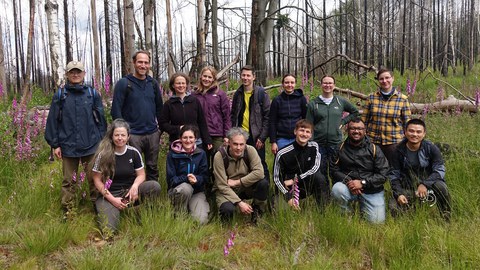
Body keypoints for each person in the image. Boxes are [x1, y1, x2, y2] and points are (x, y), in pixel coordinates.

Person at [45, 60, 107, 219]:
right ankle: (69, 211)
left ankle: (98, 207)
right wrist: (55, 144)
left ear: (84, 74)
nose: (75, 74)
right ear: (67, 74)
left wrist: (102, 141)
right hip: (67, 146)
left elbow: (101, 119)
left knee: (95, 178)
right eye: (72, 72)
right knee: (68, 182)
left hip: (91, 145)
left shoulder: (92, 94)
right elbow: (52, 120)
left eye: (78, 71)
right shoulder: (61, 95)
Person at [92, 119, 161, 236]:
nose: (120, 138)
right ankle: (114, 211)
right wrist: (113, 200)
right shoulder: (103, 154)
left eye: (123, 135)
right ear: (111, 136)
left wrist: (135, 186)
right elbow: (97, 180)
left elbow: (141, 174)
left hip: (129, 193)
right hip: (109, 195)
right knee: (110, 231)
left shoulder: (133, 153)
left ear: (128, 137)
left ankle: (136, 211)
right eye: (117, 135)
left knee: (154, 186)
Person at [111, 50, 163, 183]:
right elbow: (116, 110)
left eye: (146, 62)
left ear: (149, 65)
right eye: (140, 62)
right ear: (134, 63)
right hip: (133, 134)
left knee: (152, 167)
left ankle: (152, 196)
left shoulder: (153, 84)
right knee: (134, 168)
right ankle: (135, 195)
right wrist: (123, 133)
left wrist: (159, 130)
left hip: (152, 133)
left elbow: (159, 108)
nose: (143, 65)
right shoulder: (124, 83)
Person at [388, 119, 452, 220]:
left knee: (441, 186)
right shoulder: (397, 150)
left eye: (418, 132)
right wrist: (399, 193)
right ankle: (412, 213)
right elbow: (393, 176)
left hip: (429, 185)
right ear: (405, 132)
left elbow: (439, 170)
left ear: (424, 134)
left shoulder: (431, 148)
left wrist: (425, 184)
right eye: (411, 131)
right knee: (393, 208)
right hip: (408, 186)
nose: (414, 134)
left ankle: (446, 218)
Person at [330, 118, 389, 223]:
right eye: (353, 128)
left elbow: (383, 175)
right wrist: (350, 182)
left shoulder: (375, 149)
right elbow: (333, 170)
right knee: (337, 189)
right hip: (348, 188)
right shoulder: (339, 148)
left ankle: (364, 207)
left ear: (365, 131)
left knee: (376, 223)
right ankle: (346, 215)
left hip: (372, 190)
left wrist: (362, 183)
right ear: (347, 130)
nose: (356, 131)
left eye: (359, 129)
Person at [212, 127, 269, 223]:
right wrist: (239, 203)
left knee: (263, 183)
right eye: (235, 144)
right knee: (227, 209)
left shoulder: (250, 150)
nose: (238, 148)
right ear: (229, 142)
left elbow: (259, 173)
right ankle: (226, 227)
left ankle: (257, 216)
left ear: (245, 143)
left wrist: (237, 182)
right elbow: (222, 185)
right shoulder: (219, 156)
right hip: (226, 189)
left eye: (241, 144)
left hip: (244, 186)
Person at [306, 75, 359, 176]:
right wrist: (311, 143)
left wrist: (343, 122)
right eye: (325, 83)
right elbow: (309, 125)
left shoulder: (340, 101)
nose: (327, 85)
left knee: (336, 170)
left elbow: (355, 112)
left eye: (330, 83)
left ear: (334, 86)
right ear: (321, 85)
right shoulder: (313, 103)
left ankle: (335, 190)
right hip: (318, 143)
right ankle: (323, 191)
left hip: (335, 143)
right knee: (320, 171)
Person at [273, 120, 329, 210]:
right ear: (295, 132)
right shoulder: (282, 153)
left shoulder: (314, 146)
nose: (304, 134)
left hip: (306, 185)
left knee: (319, 178)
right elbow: (276, 179)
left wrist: (295, 180)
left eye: (308, 132)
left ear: (311, 135)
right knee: (276, 208)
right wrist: (288, 197)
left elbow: (314, 169)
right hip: (288, 188)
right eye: (301, 130)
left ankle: (323, 211)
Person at [362, 68, 411, 164]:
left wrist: (407, 140)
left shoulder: (402, 99)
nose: (384, 81)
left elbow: (407, 122)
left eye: (387, 78)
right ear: (378, 80)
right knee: (374, 167)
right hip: (374, 141)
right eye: (381, 79)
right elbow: (364, 120)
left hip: (394, 141)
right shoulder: (371, 97)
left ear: (392, 79)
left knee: (394, 169)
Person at [231, 65, 270, 181]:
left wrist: (262, 137)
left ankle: (265, 190)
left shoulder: (261, 94)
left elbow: (267, 117)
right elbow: (233, 115)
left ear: (254, 77)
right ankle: (245, 190)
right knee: (242, 164)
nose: (245, 78)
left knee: (260, 163)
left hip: (256, 136)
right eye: (243, 75)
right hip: (241, 135)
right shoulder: (238, 94)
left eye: (248, 75)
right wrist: (233, 134)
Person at [166, 125, 210, 224]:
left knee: (201, 221)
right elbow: (171, 180)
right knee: (186, 188)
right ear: (180, 138)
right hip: (178, 191)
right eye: (185, 137)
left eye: (191, 137)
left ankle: (192, 210)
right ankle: (179, 215)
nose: (188, 140)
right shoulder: (172, 154)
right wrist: (186, 178)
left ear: (196, 139)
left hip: (197, 192)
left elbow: (205, 177)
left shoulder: (201, 154)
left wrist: (197, 179)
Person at [159, 72, 212, 149]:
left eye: (183, 83)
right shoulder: (168, 104)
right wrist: (177, 129)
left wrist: (207, 140)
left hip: (195, 142)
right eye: (178, 83)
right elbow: (163, 124)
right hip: (177, 143)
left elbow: (202, 122)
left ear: (186, 85)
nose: (181, 85)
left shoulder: (194, 101)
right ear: (173, 85)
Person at [193, 66, 231, 154]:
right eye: (205, 76)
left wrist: (226, 135)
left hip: (217, 135)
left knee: (218, 162)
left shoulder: (220, 94)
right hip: (199, 135)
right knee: (202, 164)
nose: (206, 79)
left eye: (209, 77)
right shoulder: (194, 95)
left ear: (214, 79)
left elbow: (227, 116)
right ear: (201, 77)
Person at [269, 74, 307, 155]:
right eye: (287, 82)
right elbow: (272, 122)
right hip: (282, 139)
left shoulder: (301, 99)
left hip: (298, 138)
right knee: (282, 163)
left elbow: (306, 119)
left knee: (298, 164)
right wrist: (273, 142)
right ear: (282, 84)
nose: (289, 85)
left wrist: (305, 136)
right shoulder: (277, 100)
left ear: (295, 84)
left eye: (292, 82)